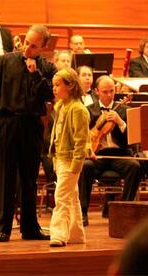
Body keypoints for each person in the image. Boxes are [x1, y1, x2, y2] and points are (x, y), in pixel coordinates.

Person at [0, 24, 56, 242]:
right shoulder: (4, 62)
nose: (27, 49)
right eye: (26, 43)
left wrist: (35, 75)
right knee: (5, 177)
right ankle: (2, 228)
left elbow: (50, 95)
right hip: (8, 123)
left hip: (33, 126)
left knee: (29, 179)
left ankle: (29, 227)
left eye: (33, 46)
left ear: (43, 46)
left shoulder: (47, 69)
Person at [78, 75, 141, 227]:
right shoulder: (88, 111)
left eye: (111, 91)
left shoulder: (125, 110)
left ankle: (124, 210)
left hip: (120, 155)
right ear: (96, 91)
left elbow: (133, 139)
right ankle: (83, 212)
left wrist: (120, 122)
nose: (109, 95)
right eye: (105, 91)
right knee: (85, 167)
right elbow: (83, 136)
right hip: (97, 155)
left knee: (135, 167)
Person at [48, 68, 90, 247]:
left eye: (58, 85)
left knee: (61, 197)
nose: (54, 89)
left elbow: (81, 140)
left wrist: (76, 164)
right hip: (60, 158)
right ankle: (76, 234)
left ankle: (58, 234)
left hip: (70, 160)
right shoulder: (60, 107)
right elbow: (56, 135)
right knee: (72, 197)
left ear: (70, 86)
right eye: (53, 85)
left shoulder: (78, 110)